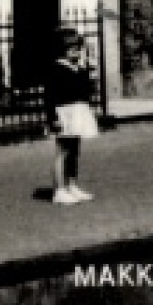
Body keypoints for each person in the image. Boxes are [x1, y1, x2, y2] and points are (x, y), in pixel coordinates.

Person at [46, 29, 100, 205]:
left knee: (75, 151)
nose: (76, 51)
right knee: (62, 152)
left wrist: (85, 70)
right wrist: (52, 117)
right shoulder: (56, 68)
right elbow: (50, 96)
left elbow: (84, 91)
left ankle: (72, 185)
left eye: (78, 47)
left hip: (78, 112)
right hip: (64, 113)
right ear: (63, 49)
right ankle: (59, 189)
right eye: (71, 48)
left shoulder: (78, 68)